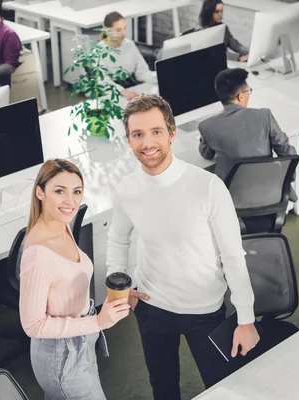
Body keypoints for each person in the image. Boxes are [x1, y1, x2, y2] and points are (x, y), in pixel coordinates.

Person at [106, 95, 260, 400]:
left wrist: (246, 319)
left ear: (172, 133)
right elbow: (117, 238)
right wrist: (120, 289)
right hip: (151, 307)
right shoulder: (127, 189)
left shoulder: (208, 187)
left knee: (223, 388)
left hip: (204, 310)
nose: (147, 143)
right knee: (162, 387)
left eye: (156, 132)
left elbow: (233, 257)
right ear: (129, 140)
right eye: (138, 134)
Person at [20, 159, 131, 400]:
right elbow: (33, 325)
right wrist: (98, 322)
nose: (71, 201)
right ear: (40, 192)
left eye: (77, 192)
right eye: (60, 191)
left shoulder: (61, 225)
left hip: (80, 340)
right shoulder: (38, 256)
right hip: (62, 357)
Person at [199, 68, 297, 181]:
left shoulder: (207, 126)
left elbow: (206, 154)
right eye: (248, 90)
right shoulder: (264, 116)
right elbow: (286, 151)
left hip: (231, 195)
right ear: (240, 96)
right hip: (270, 189)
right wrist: (287, 181)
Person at [99, 11, 156, 101]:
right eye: (118, 30)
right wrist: (123, 92)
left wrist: (158, 77)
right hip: (113, 95)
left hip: (132, 91)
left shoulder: (130, 45)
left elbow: (142, 73)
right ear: (107, 30)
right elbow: (103, 82)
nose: (123, 33)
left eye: (125, 28)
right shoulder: (98, 51)